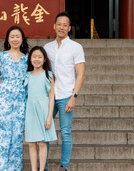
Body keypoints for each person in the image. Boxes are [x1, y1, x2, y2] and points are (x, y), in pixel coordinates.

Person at [43, 12, 86, 171]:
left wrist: (74, 96)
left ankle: (64, 166)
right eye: (59, 24)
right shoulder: (47, 48)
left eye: (65, 25)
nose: (61, 27)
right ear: (54, 26)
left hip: (66, 95)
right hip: (49, 96)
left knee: (66, 133)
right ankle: (44, 165)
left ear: (69, 28)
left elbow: (81, 73)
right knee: (44, 130)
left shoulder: (76, 47)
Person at [0, 25, 29, 171]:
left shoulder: (26, 59)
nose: (15, 39)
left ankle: (15, 167)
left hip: (20, 98)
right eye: (12, 36)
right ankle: (1, 167)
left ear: (22, 39)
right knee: (2, 132)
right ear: (7, 39)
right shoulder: (1, 56)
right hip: (4, 97)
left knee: (17, 134)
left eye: (18, 36)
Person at [25, 46, 57, 171]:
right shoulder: (27, 75)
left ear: (44, 59)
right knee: (31, 143)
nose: (36, 59)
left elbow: (51, 97)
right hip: (30, 111)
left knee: (42, 143)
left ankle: (42, 169)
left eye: (39, 57)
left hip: (43, 110)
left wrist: (49, 117)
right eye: (34, 57)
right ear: (30, 59)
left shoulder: (48, 75)